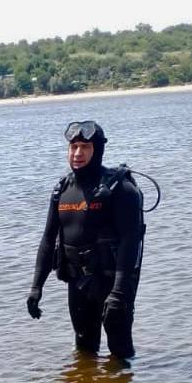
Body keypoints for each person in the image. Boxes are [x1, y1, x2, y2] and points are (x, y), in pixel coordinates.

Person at [26, 120, 144, 360]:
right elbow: (48, 240)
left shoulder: (119, 189)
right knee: (84, 351)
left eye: (85, 147)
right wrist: (36, 287)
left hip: (113, 282)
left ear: (97, 150)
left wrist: (120, 293)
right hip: (78, 282)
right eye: (73, 147)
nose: (77, 153)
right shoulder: (62, 189)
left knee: (121, 352)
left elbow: (130, 241)